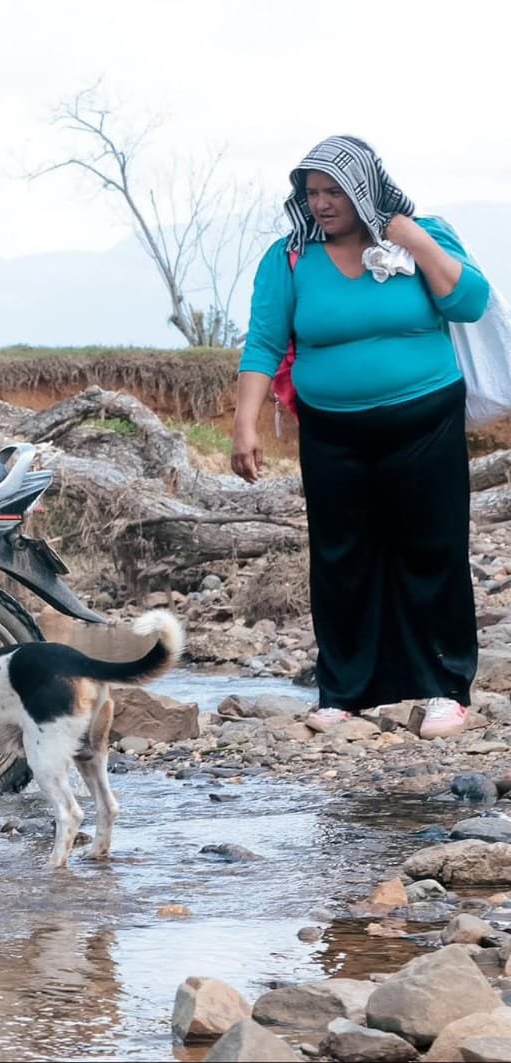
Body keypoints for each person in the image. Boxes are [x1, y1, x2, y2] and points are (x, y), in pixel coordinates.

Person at [230, 135, 490, 740]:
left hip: (425, 418)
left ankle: (446, 688)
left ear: (364, 189)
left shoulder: (423, 234)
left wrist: (415, 242)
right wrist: (244, 423)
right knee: (341, 555)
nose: (320, 204)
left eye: (333, 192)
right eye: (311, 193)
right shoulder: (289, 257)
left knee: (431, 548)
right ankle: (342, 691)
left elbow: (471, 301)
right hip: (331, 428)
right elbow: (264, 342)